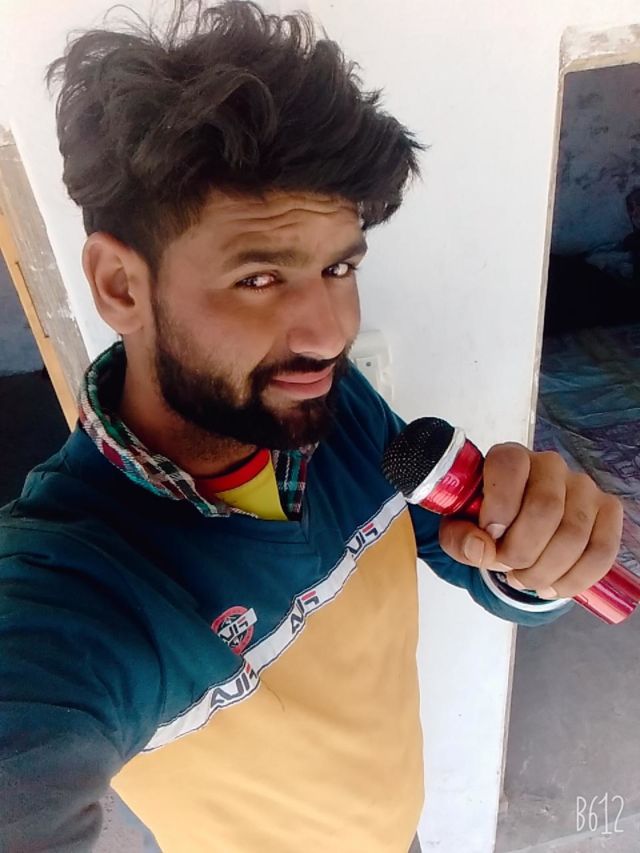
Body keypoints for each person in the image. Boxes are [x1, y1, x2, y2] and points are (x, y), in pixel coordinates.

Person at [0, 2, 624, 851]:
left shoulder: (329, 409)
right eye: (260, 278)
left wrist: (534, 558)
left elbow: (458, 547)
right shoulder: (78, 582)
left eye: (338, 267)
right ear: (120, 286)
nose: (329, 334)